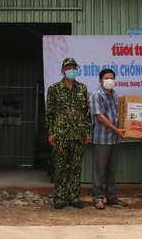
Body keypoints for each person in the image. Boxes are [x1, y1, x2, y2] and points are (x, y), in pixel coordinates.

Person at [46, 58, 91, 209]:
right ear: (62, 71)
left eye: (74, 68)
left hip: (78, 135)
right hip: (61, 135)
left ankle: (74, 197)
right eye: (69, 68)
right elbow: (50, 113)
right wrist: (51, 132)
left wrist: (86, 131)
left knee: (76, 168)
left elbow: (86, 113)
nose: (72, 70)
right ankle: (59, 198)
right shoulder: (54, 89)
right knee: (60, 169)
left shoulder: (82, 89)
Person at [90, 68, 128, 210]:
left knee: (112, 170)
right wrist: (116, 130)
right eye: (106, 78)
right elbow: (100, 116)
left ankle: (112, 197)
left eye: (112, 78)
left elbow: (118, 115)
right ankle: (98, 198)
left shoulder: (114, 94)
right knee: (99, 170)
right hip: (101, 139)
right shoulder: (97, 95)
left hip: (113, 139)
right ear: (100, 80)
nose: (109, 81)